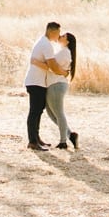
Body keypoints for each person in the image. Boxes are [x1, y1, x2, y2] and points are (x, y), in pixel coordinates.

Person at [23, 21, 60, 150]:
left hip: (38, 82)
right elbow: (52, 65)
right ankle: (32, 141)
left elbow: (47, 65)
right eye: (58, 33)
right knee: (35, 111)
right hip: (35, 82)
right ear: (52, 31)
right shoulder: (46, 44)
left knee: (38, 110)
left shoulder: (43, 41)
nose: (58, 36)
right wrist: (61, 72)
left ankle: (36, 138)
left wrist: (42, 65)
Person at [38, 30, 77, 150]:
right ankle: (70, 135)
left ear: (68, 41)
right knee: (51, 113)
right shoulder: (62, 51)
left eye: (63, 36)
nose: (60, 36)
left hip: (56, 84)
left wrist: (37, 62)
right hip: (53, 84)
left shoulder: (65, 52)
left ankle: (63, 141)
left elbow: (52, 67)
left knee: (59, 113)